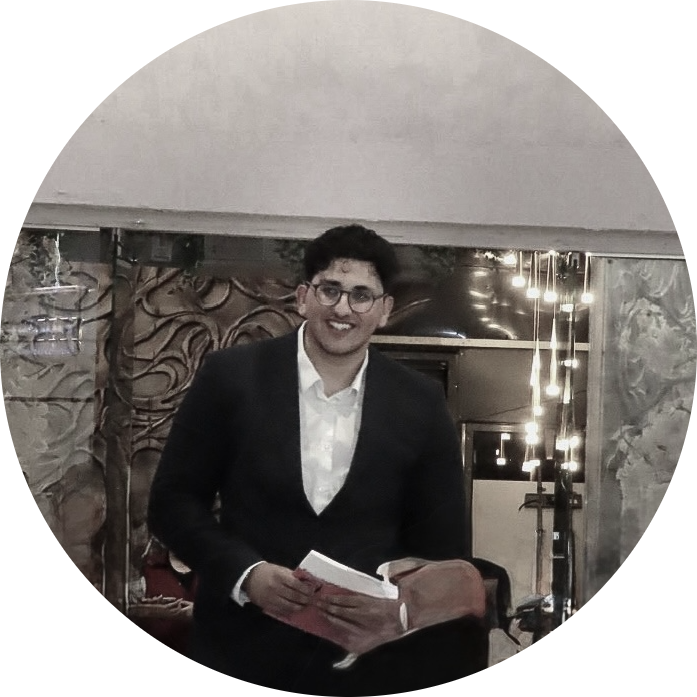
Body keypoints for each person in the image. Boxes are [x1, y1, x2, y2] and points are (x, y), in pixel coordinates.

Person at [147, 224, 488, 694]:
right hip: (238, 650)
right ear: (303, 297)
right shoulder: (231, 378)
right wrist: (246, 574)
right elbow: (173, 502)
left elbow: (443, 544)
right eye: (330, 290)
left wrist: (399, 611)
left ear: (385, 309)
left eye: (362, 295)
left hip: (368, 667)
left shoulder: (420, 402)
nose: (343, 308)